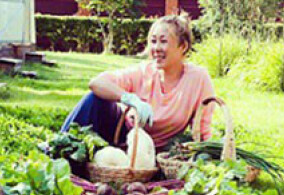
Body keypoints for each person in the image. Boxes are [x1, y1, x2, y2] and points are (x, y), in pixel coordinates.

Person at [61, 13, 215, 152]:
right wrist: (129, 98)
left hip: (156, 151)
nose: (156, 48)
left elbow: (203, 130)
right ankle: (58, 146)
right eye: (153, 41)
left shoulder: (198, 79)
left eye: (163, 41)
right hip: (122, 135)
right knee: (93, 99)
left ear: (183, 46)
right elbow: (96, 83)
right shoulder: (143, 72)